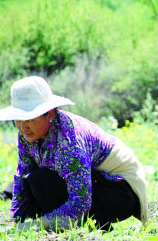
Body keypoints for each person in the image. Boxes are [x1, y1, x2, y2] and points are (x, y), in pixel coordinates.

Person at [0, 76, 148, 231]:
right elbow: (22, 175)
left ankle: (96, 227)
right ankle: (68, 225)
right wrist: (15, 223)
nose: (23, 127)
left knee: (42, 180)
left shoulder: (69, 142)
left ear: (49, 114)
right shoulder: (27, 134)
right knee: (32, 180)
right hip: (94, 183)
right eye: (18, 120)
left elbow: (80, 204)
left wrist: (32, 227)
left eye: (29, 119)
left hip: (121, 192)